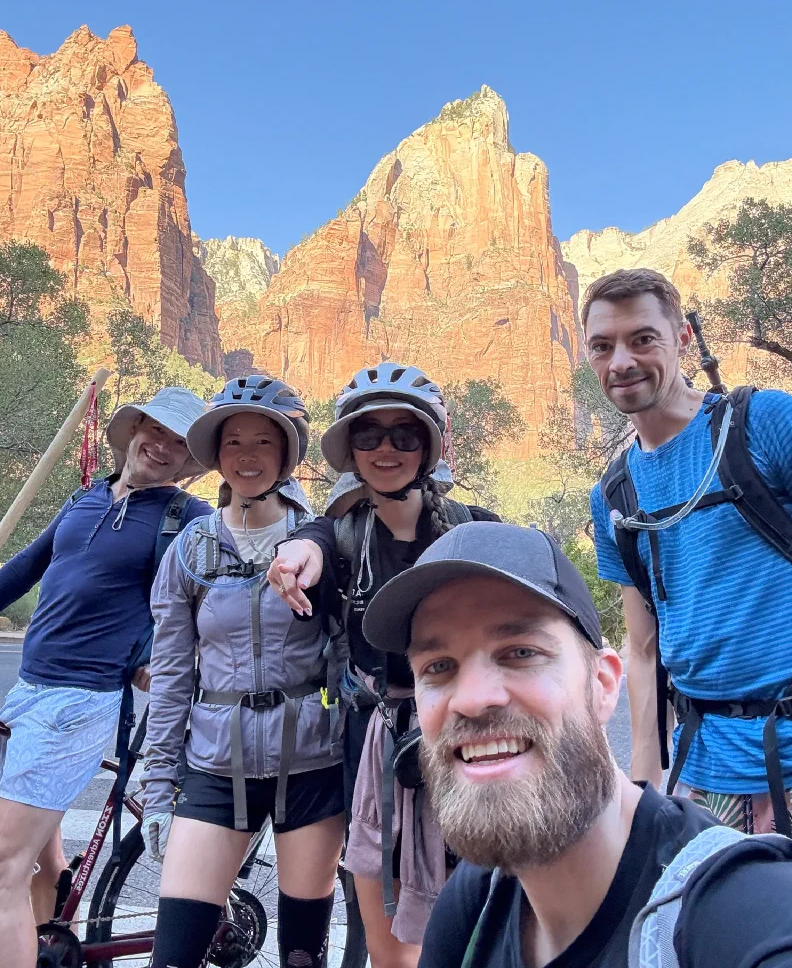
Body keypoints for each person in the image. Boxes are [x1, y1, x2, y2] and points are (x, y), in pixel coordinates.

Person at [360, 520, 792, 968]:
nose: (471, 699)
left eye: (520, 652)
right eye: (438, 666)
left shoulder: (734, 911)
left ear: (603, 683)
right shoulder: (473, 906)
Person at [268, 362, 500, 968]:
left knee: (480, 894)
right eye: (369, 435)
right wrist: (298, 550)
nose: (386, 448)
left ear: (431, 445)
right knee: (376, 908)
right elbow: (309, 542)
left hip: (468, 737)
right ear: (351, 449)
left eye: (406, 434)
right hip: (371, 738)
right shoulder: (337, 540)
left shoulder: (476, 532)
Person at [0, 387, 212, 968]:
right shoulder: (84, 498)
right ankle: (46, 947)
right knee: (38, 863)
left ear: (189, 464)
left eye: (178, 443)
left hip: (82, 704)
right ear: (133, 429)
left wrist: (160, 660)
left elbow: (216, 596)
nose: (161, 447)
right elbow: (23, 570)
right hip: (29, 691)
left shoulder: (187, 519)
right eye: (155, 431)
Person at [141, 375, 345, 968]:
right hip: (213, 768)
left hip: (311, 765)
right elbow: (174, 674)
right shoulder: (190, 550)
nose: (248, 456)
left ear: (286, 454)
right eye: (234, 442)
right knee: (173, 953)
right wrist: (158, 791)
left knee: (302, 955)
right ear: (216, 453)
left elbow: (347, 661)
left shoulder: (323, 542)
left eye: (264, 441)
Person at [582, 268, 792, 833]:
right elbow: (643, 646)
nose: (621, 361)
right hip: (703, 771)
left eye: (642, 338)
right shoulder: (614, 495)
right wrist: (646, 777)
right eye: (603, 346)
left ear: (683, 339)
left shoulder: (765, 424)